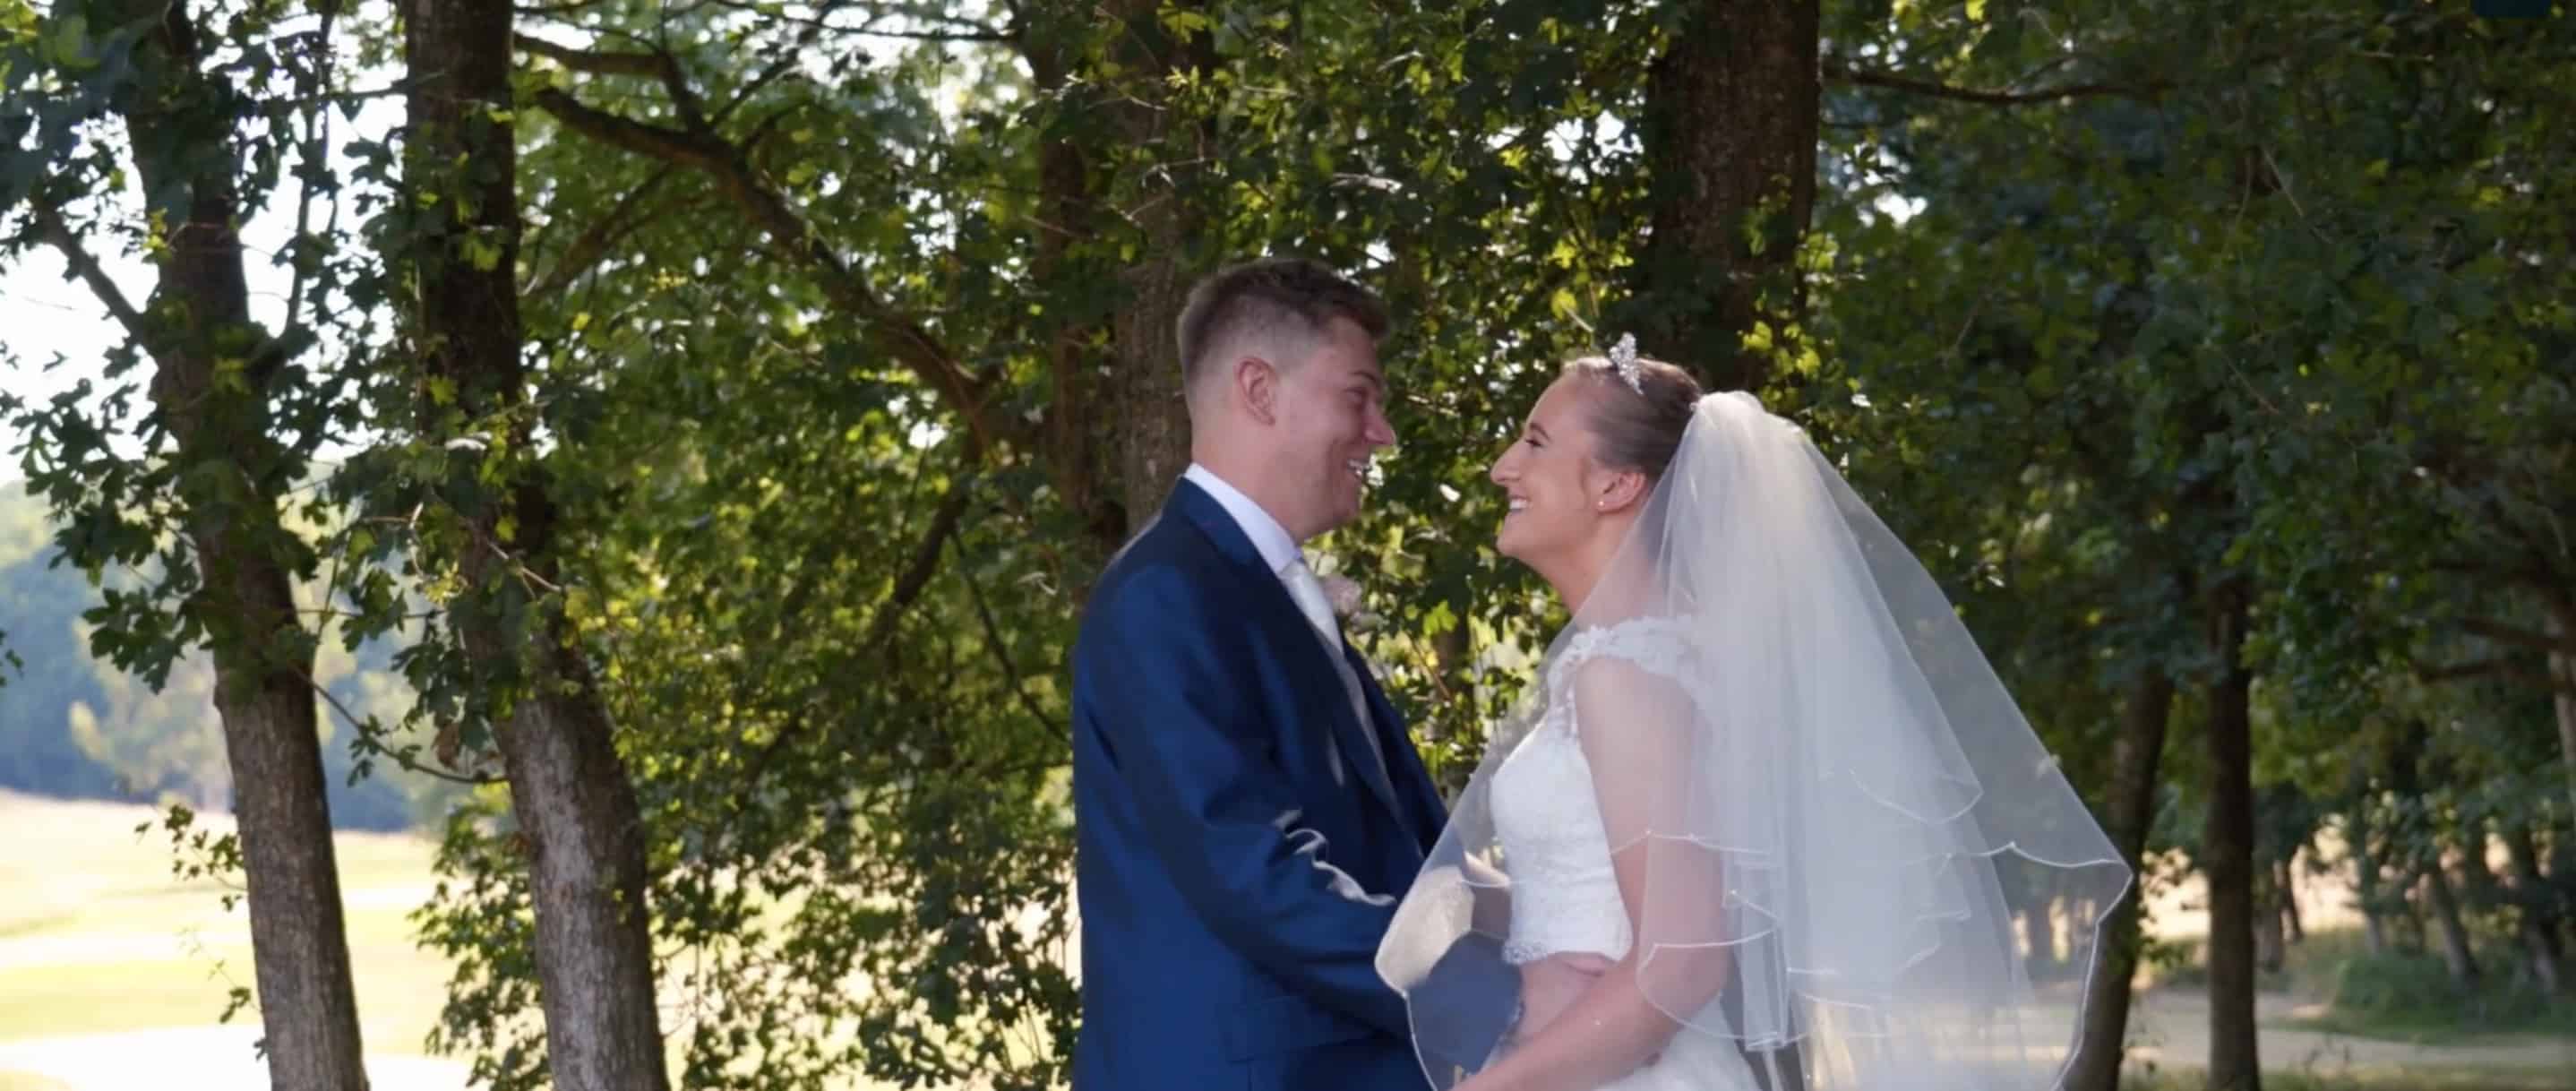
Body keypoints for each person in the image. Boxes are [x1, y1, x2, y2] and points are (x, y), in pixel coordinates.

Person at [1377, 338, 2133, 1091]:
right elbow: (1608, 897)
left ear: (1615, 485)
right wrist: (1455, 897)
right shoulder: (1642, 660)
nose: (1503, 465)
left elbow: (1682, 964)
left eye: (1535, 442)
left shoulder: (1628, 677)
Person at [1069, 257, 1516, 1090]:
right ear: (1260, 391)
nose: (1381, 431)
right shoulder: (1167, 594)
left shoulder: (1252, 585)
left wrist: (1563, 929)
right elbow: (1254, 866)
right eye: (1359, 395)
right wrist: (1494, 998)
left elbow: (1412, 855)